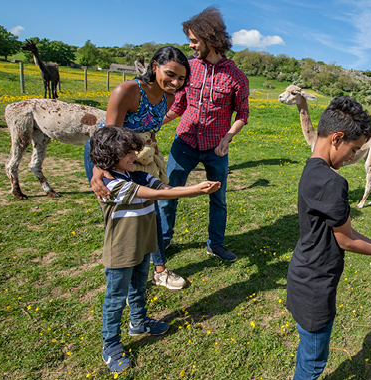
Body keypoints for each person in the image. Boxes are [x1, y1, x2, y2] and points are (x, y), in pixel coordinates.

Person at [286, 96, 371, 379]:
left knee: (307, 350)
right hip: (316, 286)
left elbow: (345, 231)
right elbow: (345, 241)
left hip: (302, 275)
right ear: (337, 138)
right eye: (354, 149)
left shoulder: (312, 169)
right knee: (313, 363)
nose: (353, 157)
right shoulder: (332, 182)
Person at [90, 126, 221, 374]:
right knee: (116, 298)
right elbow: (152, 195)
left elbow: (165, 189)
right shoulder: (110, 184)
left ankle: (138, 323)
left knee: (139, 287)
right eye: (129, 153)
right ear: (111, 155)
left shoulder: (137, 175)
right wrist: (195, 190)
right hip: (121, 251)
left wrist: (195, 188)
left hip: (143, 245)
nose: (135, 156)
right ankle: (111, 345)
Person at [88, 46, 191, 290]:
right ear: (154, 66)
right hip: (108, 156)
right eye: (170, 74)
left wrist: (152, 153)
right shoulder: (127, 91)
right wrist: (98, 171)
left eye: (181, 78)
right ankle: (119, 281)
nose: (175, 82)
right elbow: (108, 137)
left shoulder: (169, 98)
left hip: (136, 157)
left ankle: (160, 272)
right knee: (122, 220)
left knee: (150, 214)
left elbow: (150, 128)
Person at [158, 6, 249, 262]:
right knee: (168, 193)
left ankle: (216, 244)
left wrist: (227, 138)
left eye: (195, 41)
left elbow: (242, 114)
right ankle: (163, 241)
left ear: (210, 39)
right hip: (183, 143)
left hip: (215, 149)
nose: (192, 47)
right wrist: (155, 125)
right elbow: (178, 106)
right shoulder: (189, 68)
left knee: (218, 199)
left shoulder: (237, 77)